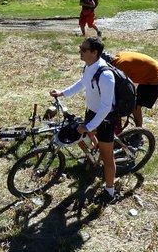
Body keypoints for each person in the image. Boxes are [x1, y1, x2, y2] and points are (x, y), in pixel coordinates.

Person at [50, 37, 117, 203]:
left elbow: (106, 107)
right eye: (80, 48)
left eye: (83, 49)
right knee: (86, 138)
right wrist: (62, 93)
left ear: (94, 53)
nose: (80, 51)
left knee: (107, 156)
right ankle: (93, 158)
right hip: (92, 112)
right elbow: (83, 83)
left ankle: (109, 191)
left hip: (106, 117)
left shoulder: (106, 75)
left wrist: (89, 126)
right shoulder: (89, 67)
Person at [102, 51, 158, 128]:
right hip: (150, 74)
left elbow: (124, 87)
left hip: (155, 77)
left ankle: (138, 133)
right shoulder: (118, 58)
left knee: (135, 106)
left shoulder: (121, 67)